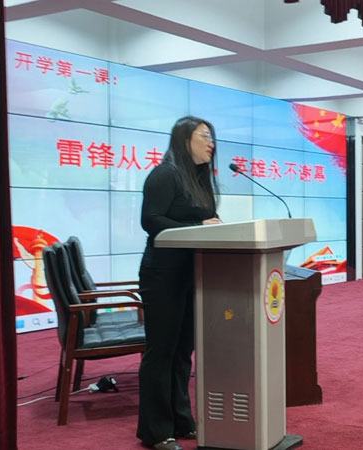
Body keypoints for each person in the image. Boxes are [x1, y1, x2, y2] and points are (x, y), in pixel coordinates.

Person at [136, 116, 221, 450]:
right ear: (185, 140)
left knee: (183, 351)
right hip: (163, 274)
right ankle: (156, 431)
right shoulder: (165, 174)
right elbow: (151, 220)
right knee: (162, 351)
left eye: (212, 137)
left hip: (191, 272)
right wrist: (199, 227)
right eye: (205, 136)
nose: (211, 143)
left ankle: (181, 420)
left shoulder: (198, 179)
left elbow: (202, 220)